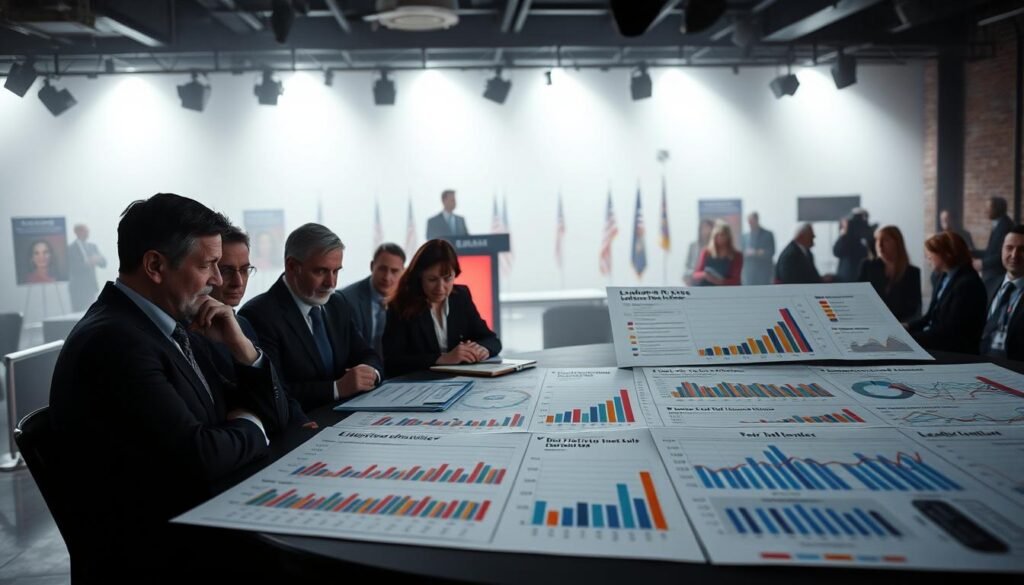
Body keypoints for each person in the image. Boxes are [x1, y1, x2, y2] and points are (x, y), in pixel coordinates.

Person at [49, 193, 290, 579]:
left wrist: (242, 349)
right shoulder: (115, 342)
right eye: (208, 265)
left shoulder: (172, 324)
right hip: (159, 558)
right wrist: (251, 427)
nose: (217, 280)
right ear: (156, 265)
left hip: (195, 524)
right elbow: (200, 457)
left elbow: (277, 415)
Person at [240, 223, 382, 412]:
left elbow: (368, 354)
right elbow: (273, 393)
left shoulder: (337, 303)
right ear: (291, 266)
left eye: (336, 271)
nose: (331, 283)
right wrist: (336, 388)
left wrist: (370, 372)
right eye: (320, 271)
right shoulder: (259, 315)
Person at [210, 225, 316, 429]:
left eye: (245, 270)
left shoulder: (243, 324)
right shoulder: (190, 334)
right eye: (226, 270)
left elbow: (277, 387)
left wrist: (299, 421)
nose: (238, 282)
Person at [382, 239, 501, 377]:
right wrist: (442, 359)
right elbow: (392, 362)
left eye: (447, 278)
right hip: (419, 386)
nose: (440, 287)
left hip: (459, 381)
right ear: (419, 277)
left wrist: (482, 349)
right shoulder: (400, 304)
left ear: (455, 275)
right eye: (432, 279)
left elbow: (492, 340)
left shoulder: (461, 296)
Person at [908, 232, 987, 354]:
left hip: (955, 353)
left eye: (931, 254)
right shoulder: (943, 277)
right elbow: (930, 317)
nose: (928, 258)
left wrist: (910, 339)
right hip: (937, 343)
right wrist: (906, 327)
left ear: (947, 254)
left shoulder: (968, 284)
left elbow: (950, 331)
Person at [339, 242, 406, 356]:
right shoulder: (345, 300)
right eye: (382, 269)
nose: (387, 277)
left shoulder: (408, 301)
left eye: (394, 271)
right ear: (372, 266)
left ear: (403, 272)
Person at [857, 225, 922, 322]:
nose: (879, 245)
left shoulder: (912, 272)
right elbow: (859, 298)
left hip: (900, 325)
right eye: (877, 240)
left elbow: (913, 307)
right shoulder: (867, 266)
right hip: (871, 322)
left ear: (897, 243)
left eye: (885, 240)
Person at [980, 225, 1024, 360]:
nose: (1014, 255)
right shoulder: (988, 285)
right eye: (1009, 248)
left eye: (1022, 249)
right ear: (1002, 250)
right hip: (979, 361)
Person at [973, 196, 1014, 297]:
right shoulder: (999, 224)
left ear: (997, 208)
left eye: (988, 207)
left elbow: (1002, 255)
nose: (985, 210)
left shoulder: (1005, 226)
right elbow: (991, 251)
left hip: (997, 276)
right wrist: (971, 252)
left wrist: (982, 263)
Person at [67, 223, 107, 310]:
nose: (87, 233)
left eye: (88, 231)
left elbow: (104, 263)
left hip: (91, 286)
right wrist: (88, 263)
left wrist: (98, 260)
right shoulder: (70, 249)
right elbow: (73, 268)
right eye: (85, 231)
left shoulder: (93, 247)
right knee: (79, 314)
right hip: (77, 288)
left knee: (91, 313)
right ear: (77, 232)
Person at [691, 220, 742, 286]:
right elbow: (696, 274)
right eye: (717, 235)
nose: (719, 238)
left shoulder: (736, 256)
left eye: (722, 235)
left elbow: (736, 279)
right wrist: (705, 275)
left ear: (728, 237)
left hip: (727, 290)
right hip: (707, 289)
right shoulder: (706, 252)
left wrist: (720, 282)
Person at [832, 208, 874, 282]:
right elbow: (837, 251)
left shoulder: (867, 234)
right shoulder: (847, 237)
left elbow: (871, 253)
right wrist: (845, 232)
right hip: (846, 278)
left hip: (864, 276)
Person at [741, 212, 775, 285]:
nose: (750, 224)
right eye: (749, 222)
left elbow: (771, 252)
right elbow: (742, 253)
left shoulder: (768, 235)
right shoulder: (745, 236)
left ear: (757, 220)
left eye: (752, 221)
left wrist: (755, 253)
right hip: (749, 273)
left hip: (763, 272)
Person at [683, 219, 714, 286]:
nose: (706, 231)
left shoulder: (715, 247)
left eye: (708, 228)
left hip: (710, 275)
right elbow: (688, 265)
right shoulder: (693, 246)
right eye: (704, 228)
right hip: (694, 274)